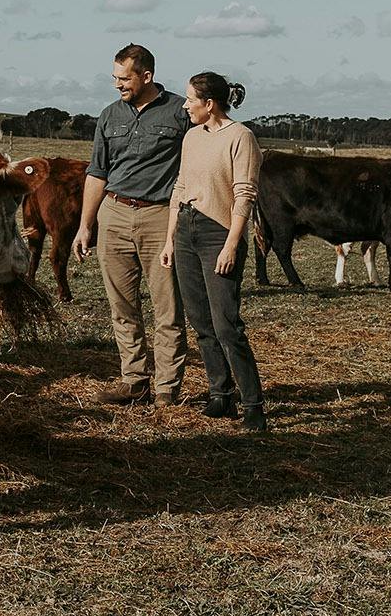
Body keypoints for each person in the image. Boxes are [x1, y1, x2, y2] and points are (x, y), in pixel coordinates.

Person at [72, 44, 191, 406]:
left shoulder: (179, 112)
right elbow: (97, 172)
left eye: (124, 78)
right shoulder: (109, 116)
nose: (118, 85)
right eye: (115, 78)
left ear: (147, 76)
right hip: (115, 213)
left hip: (160, 217)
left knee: (167, 306)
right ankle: (134, 381)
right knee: (122, 305)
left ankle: (167, 390)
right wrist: (85, 224)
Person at [160, 71, 267, 431]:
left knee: (227, 325)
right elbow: (180, 187)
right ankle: (220, 395)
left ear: (209, 104)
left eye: (190, 100)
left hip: (218, 232)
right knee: (201, 322)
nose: (185, 105)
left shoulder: (241, 137)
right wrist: (169, 238)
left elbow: (245, 196)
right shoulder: (191, 136)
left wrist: (231, 245)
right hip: (187, 231)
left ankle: (253, 403)